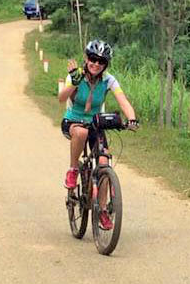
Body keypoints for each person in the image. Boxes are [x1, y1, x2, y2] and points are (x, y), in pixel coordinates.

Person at [58, 39, 138, 230]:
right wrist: (72, 84)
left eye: (101, 61)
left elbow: (122, 100)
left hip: (95, 123)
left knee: (104, 162)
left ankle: (102, 210)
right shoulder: (76, 76)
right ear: (86, 59)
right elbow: (61, 98)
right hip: (73, 121)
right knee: (81, 132)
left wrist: (132, 118)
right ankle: (73, 169)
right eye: (93, 59)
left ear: (105, 65)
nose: (96, 64)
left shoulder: (109, 80)